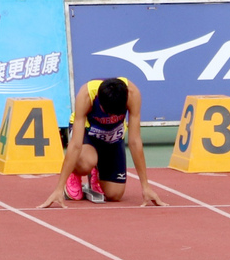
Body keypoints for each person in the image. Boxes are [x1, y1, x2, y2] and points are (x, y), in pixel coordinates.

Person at [38, 78, 165, 208]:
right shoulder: (86, 95)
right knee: (86, 162)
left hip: (113, 137)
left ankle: (97, 171)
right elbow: (75, 144)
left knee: (114, 194)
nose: (110, 117)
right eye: (107, 113)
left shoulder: (133, 95)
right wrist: (59, 188)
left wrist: (146, 187)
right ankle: (75, 172)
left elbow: (134, 141)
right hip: (88, 135)